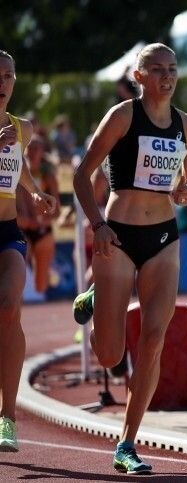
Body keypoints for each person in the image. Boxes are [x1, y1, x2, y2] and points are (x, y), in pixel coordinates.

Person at [72, 43, 187, 474]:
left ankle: (127, 442)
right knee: (110, 355)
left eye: (172, 69)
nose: (167, 76)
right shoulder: (123, 116)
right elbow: (82, 174)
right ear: (139, 76)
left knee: (154, 337)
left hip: (164, 238)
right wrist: (97, 225)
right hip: (118, 237)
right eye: (157, 69)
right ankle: (96, 299)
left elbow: (185, 184)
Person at [0, 50, 58, 452]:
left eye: (7, 75)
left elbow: (17, 165)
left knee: (9, 308)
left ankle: (7, 417)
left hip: (8, 232)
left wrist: (34, 192)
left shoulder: (21, 127)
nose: (2, 82)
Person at [16, 135, 59, 294]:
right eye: (30, 148)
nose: (33, 152)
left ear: (42, 152)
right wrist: (21, 220)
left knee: (40, 286)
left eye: (37, 148)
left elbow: (57, 211)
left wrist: (42, 221)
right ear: (24, 150)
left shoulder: (48, 177)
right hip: (20, 229)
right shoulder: (15, 172)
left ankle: (46, 271)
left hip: (42, 230)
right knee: (16, 277)